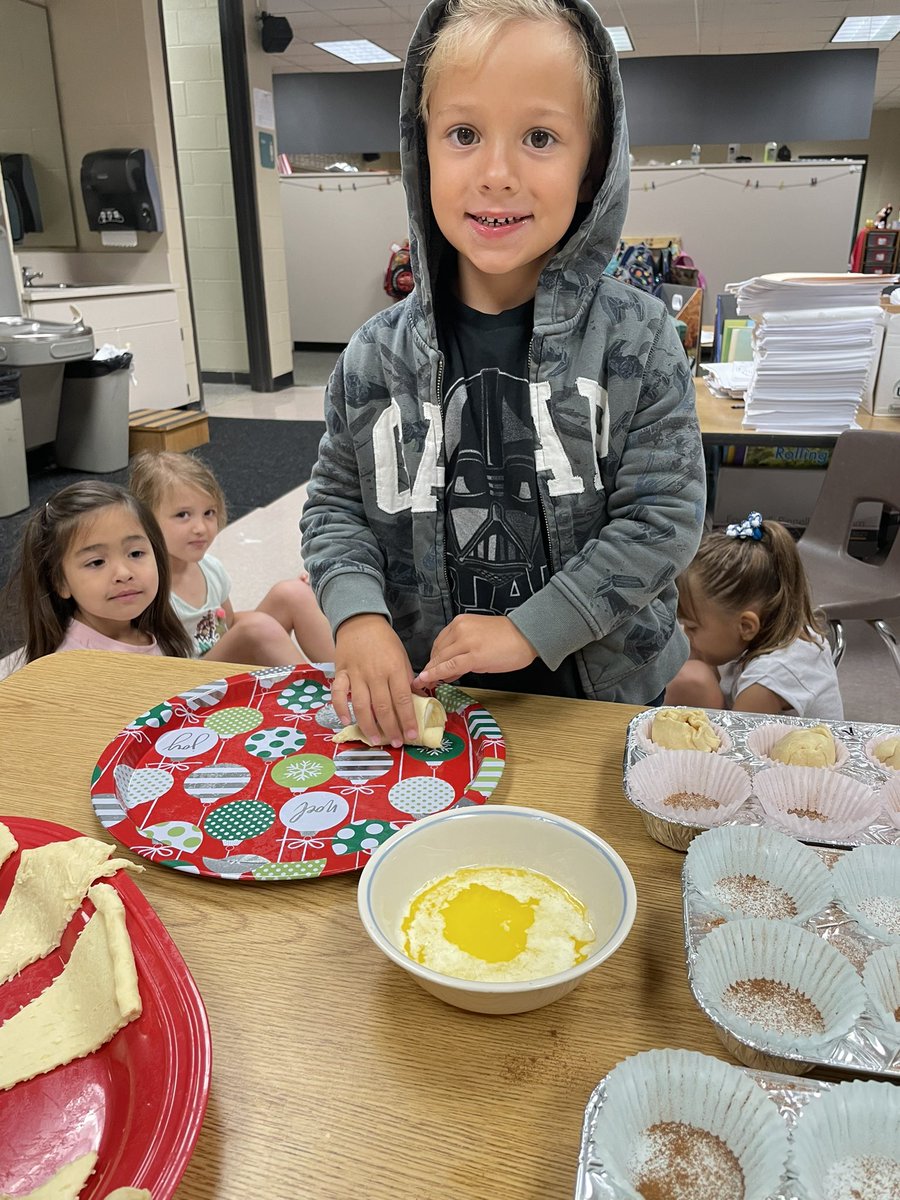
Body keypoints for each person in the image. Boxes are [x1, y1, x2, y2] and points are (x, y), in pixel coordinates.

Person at [300, 0, 706, 747]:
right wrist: (356, 615)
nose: (496, 174)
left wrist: (532, 628)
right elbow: (334, 506)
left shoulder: (643, 338)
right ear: (423, 154)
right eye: (463, 134)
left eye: (540, 137)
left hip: (598, 704)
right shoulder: (370, 357)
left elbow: (663, 520)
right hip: (432, 707)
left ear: (592, 166)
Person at [129, 450, 334, 666]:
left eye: (209, 513)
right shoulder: (145, 585)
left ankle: (349, 680)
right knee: (257, 628)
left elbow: (226, 624)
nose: (200, 528)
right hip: (186, 681)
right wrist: (258, 628)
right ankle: (315, 694)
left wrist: (263, 624)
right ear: (145, 519)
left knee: (293, 593)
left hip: (219, 660)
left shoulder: (210, 568)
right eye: (183, 515)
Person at [665, 512, 843, 719]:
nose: (686, 634)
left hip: (778, 749)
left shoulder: (768, 680)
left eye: (693, 627)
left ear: (747, 626)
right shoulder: (781, 629)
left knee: (692, 679)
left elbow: (737, 746)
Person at [5, 481, 191, 662]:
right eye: (96, 562)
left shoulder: (152, 626)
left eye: (135, 553)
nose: (124, 573)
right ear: (60, 582)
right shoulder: (77, 666)